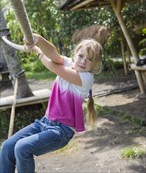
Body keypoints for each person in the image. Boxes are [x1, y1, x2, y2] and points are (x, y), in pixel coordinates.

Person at [0, 34, 103, 173]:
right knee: (7, 147)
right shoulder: (68, 63)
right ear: (75, 54)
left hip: (61, 131)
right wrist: (38, 39)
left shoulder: (86, 78)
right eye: (81, 56)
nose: (83, 61)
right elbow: (54, 54)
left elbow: (55, 68)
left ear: (95, 64)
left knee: (22, 148)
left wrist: (37, 51)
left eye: (89, 59)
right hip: (45, 122)